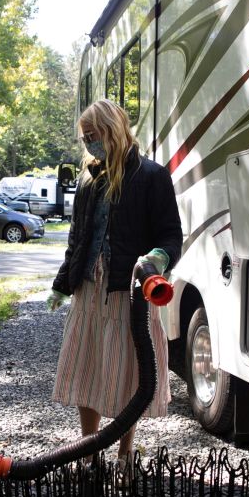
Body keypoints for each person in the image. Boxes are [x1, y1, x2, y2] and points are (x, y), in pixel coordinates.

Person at [47, 99, 182, 474]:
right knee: (88, 368)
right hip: (90, 290)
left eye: (95, 136)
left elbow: (172, 235)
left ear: (114, 130)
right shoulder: (88, 179)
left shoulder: (152, 176)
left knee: (128, 373)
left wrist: (158, 258)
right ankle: (90, 453)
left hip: (130, 292)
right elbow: (77, 239)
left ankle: (125, 454)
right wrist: (61, 284)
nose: (90, 144)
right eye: (86, 138)